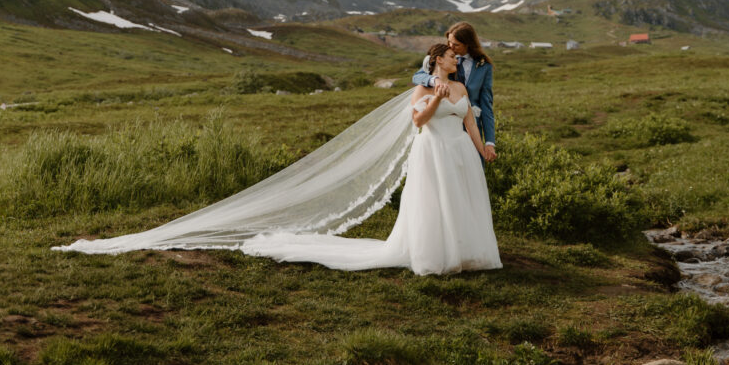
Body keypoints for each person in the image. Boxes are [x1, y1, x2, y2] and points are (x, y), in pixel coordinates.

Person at [54, 44, 501, 276]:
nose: (454, 59)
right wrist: (431, 99)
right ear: (436, 61)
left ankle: (467, 255)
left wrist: (482, 146)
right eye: (448, 56)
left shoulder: (461, 89)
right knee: (433, 205)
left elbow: (470, 121)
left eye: (455, 57)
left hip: (460, 152)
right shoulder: (425, 88)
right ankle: (434, 257)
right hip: (432, 152)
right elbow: (419, 122)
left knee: (462, 203)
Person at [412, 21, 496, 164]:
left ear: (467, 44)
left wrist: (489, 142)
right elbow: (417, 76)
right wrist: (435, 80)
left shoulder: (483, 66)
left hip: (472, 129)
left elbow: (486, 106)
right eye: (449, 42)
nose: (450, 46)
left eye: (456, 44)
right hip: (442, 129)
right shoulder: (445, 59)